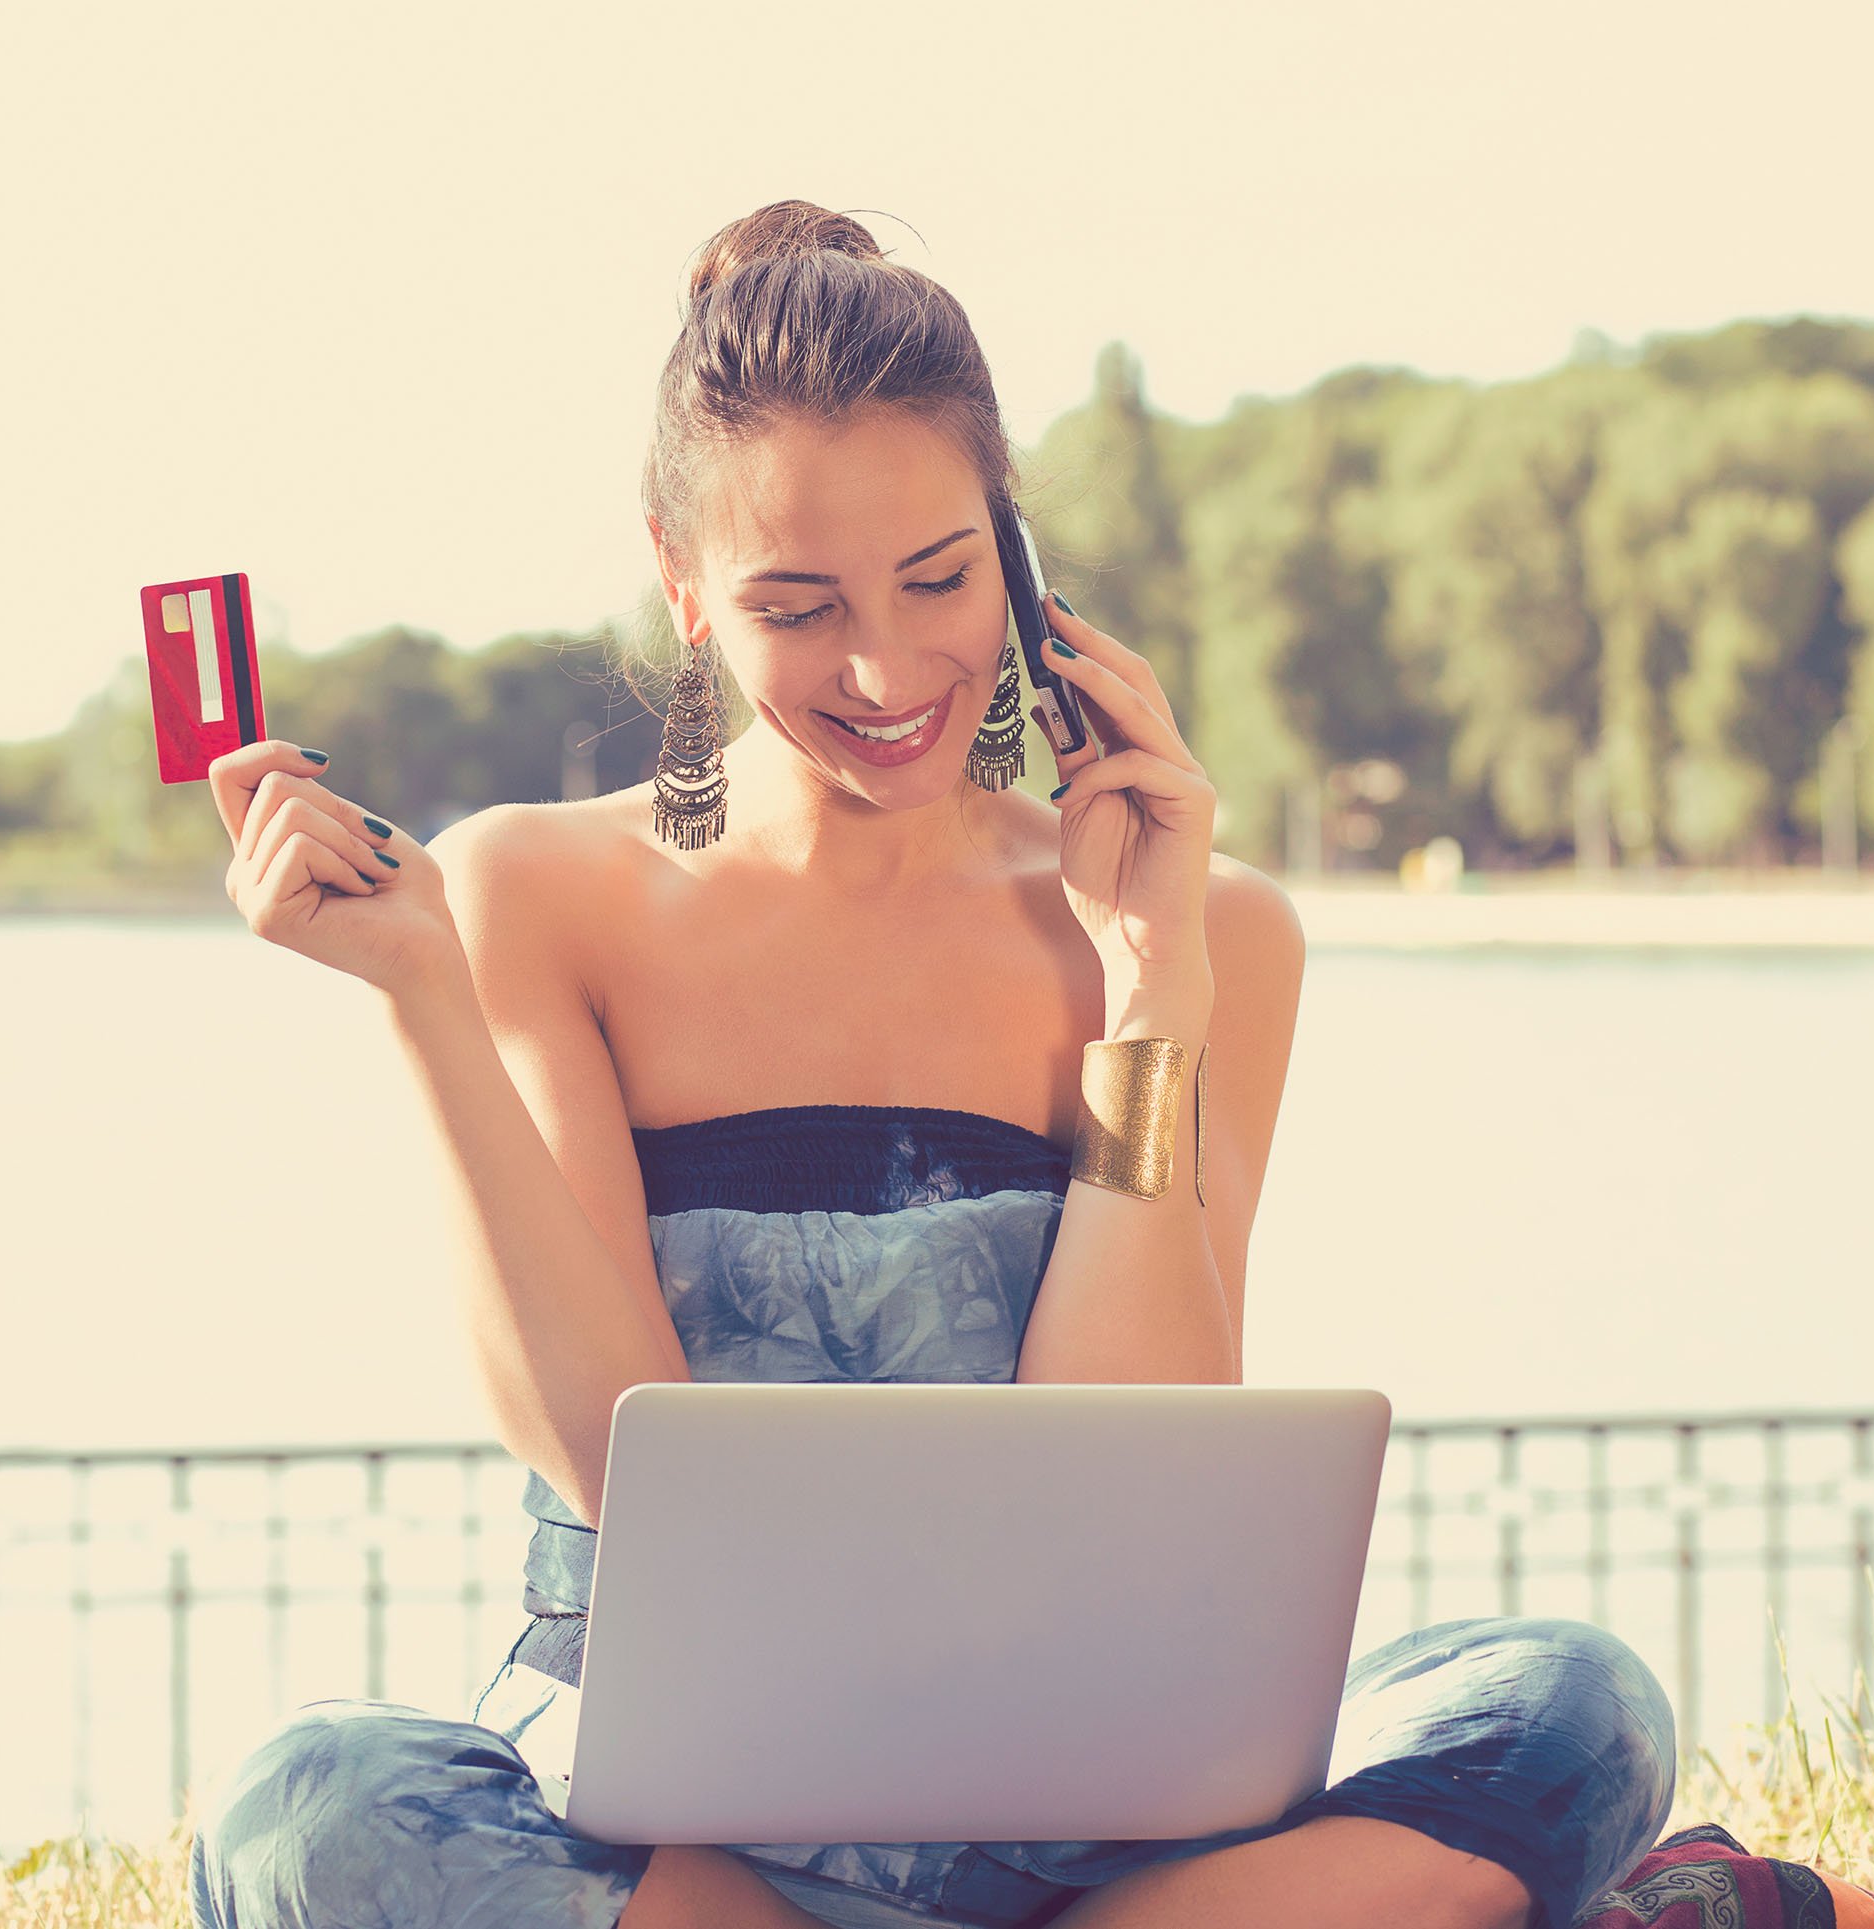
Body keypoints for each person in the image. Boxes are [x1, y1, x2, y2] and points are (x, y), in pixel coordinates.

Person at [183, 199, 1679, 1929]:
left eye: (939, 578)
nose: (889, 669)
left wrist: (1146, 984)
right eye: (797, 605)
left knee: (1571, 1708)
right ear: (680, 582)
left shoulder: (1212, 934)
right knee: (308, 1808)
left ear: (1014, 554)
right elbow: (605, 1450)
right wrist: (426, 1006)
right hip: (679, 1835)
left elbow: (1133, 1458)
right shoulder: (532, 891)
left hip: (1086, 1805)